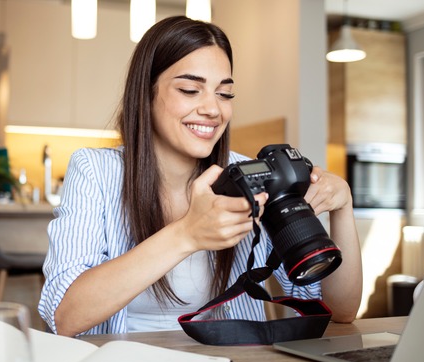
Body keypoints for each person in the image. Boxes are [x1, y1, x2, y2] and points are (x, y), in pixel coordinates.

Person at [39, 16, 362, 337]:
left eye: (224, 94)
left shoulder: (251, 176)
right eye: (191, 90)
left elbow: (342, 311)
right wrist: (186, 234)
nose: (213, 109)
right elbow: (65, 316)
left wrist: (343, 206)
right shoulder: (96, 171)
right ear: (145, 93)